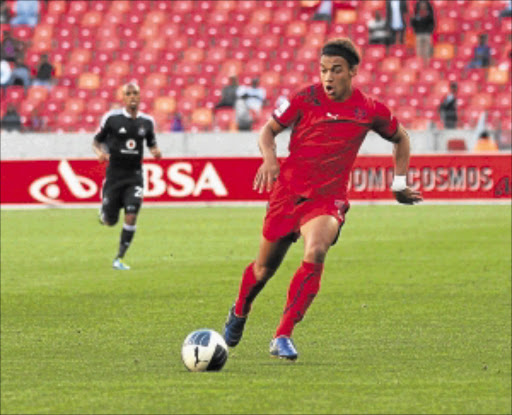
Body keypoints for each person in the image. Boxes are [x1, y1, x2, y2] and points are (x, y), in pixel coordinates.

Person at [223, 37, 422, 360]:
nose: (328, 77)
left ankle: (282, 334)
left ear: (353, 71)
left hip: (327, 200)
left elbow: (401, 137)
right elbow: (267, 131)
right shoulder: (305, 97)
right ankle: (240, 309)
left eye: (336, 70)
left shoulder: (368, 109)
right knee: (262, 271)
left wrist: (399, 182)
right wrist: (270, 159)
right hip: (287, 194)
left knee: (316, 250)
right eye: (323, 70)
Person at [92, 82, 162, 270]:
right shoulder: (112, 119)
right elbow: (97, 141)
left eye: (135, 93)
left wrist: (156, 151)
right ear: (123, 98)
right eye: (128, 93)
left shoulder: (147, 122)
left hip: (135, 176)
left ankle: (119, 258)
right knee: (110, 221)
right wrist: (99, 153)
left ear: (140, 96)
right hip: (114, 176)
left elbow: (151, 143)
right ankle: (104, 214)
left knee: (131, 215)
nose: (132, 96)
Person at [410, 0, 435, 66]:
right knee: (419, 50)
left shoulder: (428, 4)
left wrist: (429, 30)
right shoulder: (417, 5)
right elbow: (413, 21)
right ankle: (420, 64)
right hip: (418, 34)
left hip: (427, 34)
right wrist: (416, 30)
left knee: (427, 51)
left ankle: (427, 65)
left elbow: (432, 21)